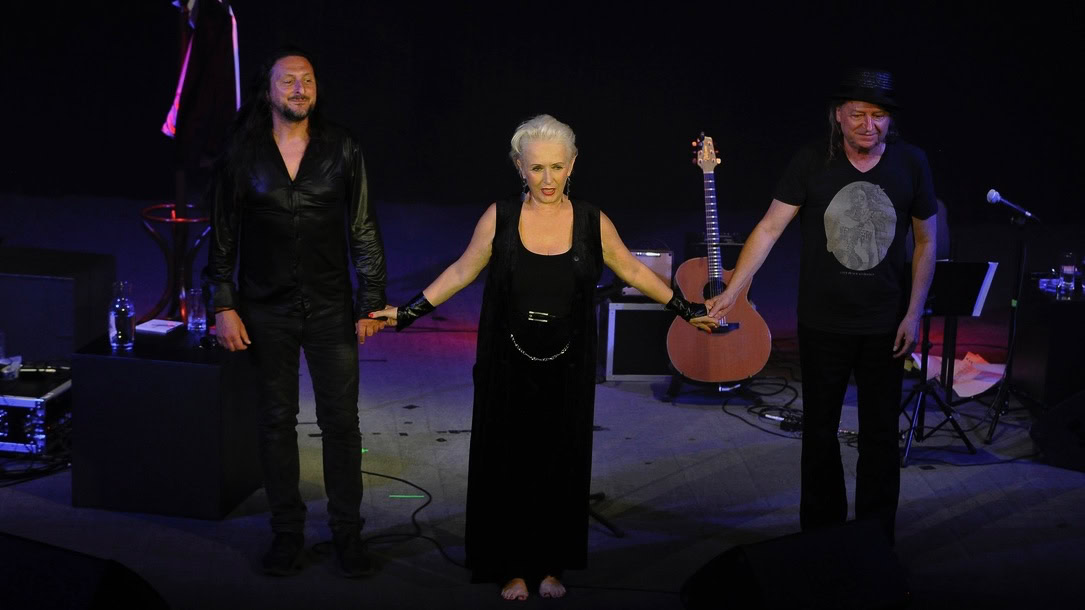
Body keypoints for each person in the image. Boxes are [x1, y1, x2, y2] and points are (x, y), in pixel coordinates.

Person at [370, 115, 716, 601]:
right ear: (519, 167)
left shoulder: (592, 220)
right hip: (507, 360)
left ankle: (551, 563)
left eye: (557, 167)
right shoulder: (500, 216)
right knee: (507, 462)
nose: (547, 179)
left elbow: (635, 271)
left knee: (560, 461)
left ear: (572, 165)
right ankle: (510, 566)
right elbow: (463, 270)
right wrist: (406, 312)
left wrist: (687, 310)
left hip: (568, 361)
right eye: (536, 168)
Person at [708, 69, 937, 544]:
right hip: (823, 322)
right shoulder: (812, 160)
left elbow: (925, 241)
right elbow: (770, 228)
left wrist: (914, 312)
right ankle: (821, 540)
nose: (869, 125)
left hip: (885, 324)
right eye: (858, 115)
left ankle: (875, 539)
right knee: (818, 432)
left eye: (879, 116)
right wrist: (733, 290)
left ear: (890, 120)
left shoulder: (912, 163)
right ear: (838, 116)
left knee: (879, 436)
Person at [204, 46, 387, 577]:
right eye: (288, 80)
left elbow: (363, 227)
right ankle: (287, 533)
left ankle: (347, 533)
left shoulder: (342, 147)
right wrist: (223, 304)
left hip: (330, 307)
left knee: (341, 422)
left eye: (307, 79)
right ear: (268, 91)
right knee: (275, 421)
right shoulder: (243, 152)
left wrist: (372, 300)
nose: (300, 89)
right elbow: (223, 234)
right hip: (266, 308)